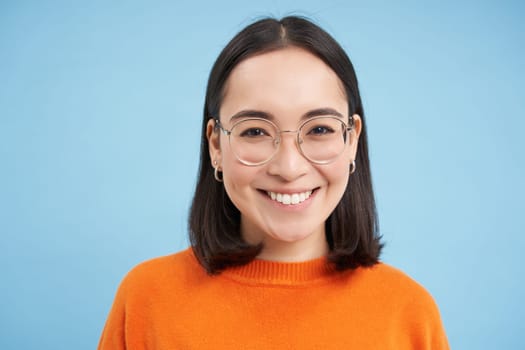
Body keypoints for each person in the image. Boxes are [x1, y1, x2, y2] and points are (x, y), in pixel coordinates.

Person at [98, 16, 449, 349]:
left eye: (320, 130)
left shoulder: (409, 313)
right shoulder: (147, 299)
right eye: (255, 131)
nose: (289, 167)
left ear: (352, 141)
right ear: (216, 145)